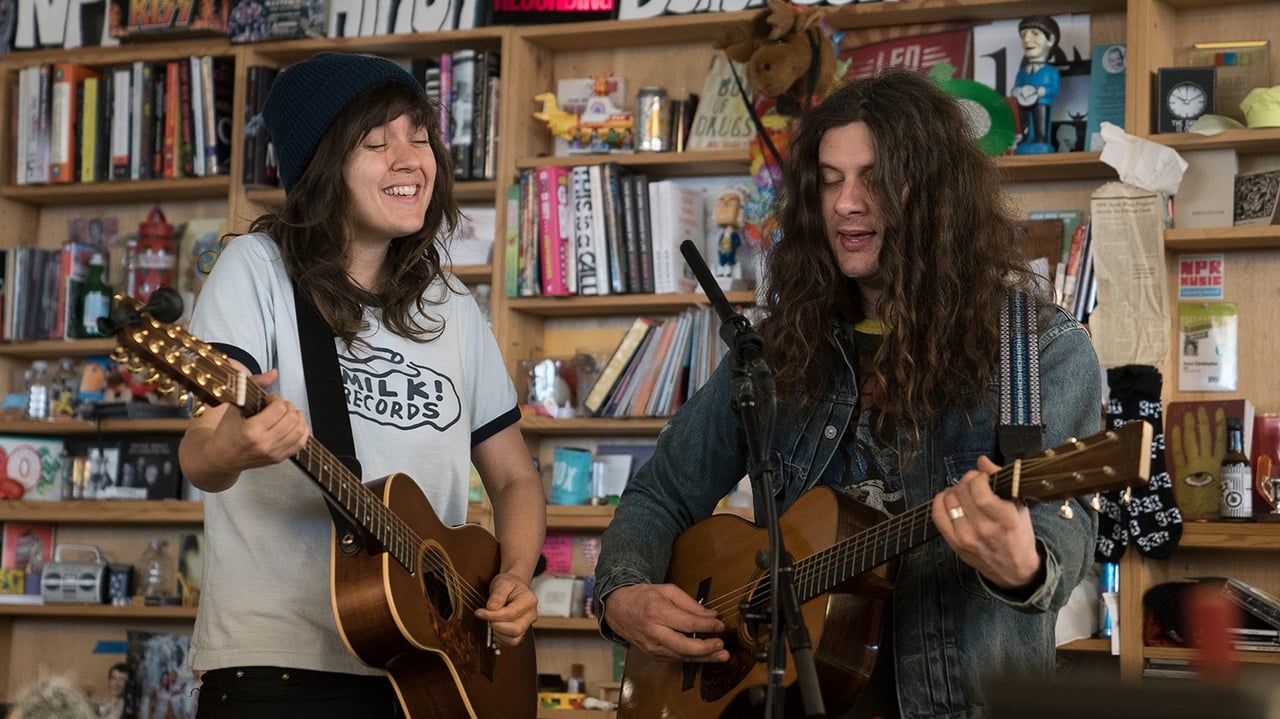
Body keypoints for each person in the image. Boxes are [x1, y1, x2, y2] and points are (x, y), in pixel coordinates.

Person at [593, 69, 1102, 719]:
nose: (845, 203)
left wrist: (1021, 561)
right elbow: (660, 492)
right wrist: (624, 592)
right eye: (829, 181)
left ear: (936, 195)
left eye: (874, 178)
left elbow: (1063, 546)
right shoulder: (778, 353)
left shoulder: (1039, 352)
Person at [177, 52, 545, 718]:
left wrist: (515, 574)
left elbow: (515, 478)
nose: (409, 158)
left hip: (433, 665)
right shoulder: (255, 270)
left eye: (419, 134)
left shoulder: (451, 303)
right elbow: (199, 454)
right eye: (377, 143)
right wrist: (238, 442)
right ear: (323, 168)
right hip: (281, 668)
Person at [1011, 15, 1065, 154]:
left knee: (1040, 121)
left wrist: (1042, 91)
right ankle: (1026, 137)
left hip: (1042, 102)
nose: (1027, 39)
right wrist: (1016, 91)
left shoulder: (1051, 71)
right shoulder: (1022, 72)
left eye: (1034, 34)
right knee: (1025, 122)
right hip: (1024, 102)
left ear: (1050, 40)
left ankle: (1041, 138)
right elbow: (1016, 86)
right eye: (1023, 35)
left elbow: (1054, 88)